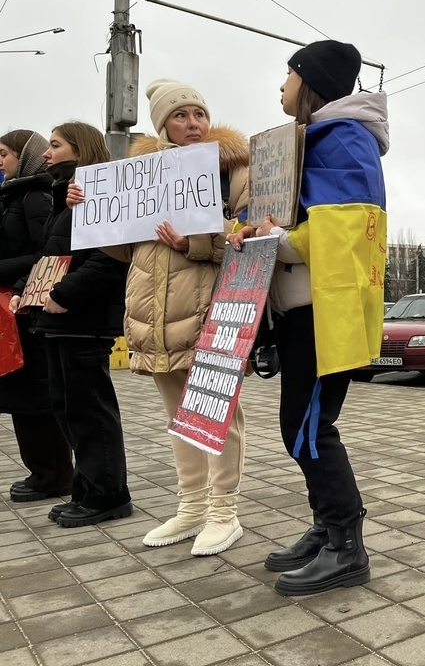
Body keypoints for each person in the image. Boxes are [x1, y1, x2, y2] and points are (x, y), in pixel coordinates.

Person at [228, 39, 387, 596]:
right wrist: (249, 230)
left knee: (308, 429)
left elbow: (346, 232)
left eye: (289, 73)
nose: (282, 84)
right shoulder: (306, 141)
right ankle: (328, 529)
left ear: (310, 82)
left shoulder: (345, 139)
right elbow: (283, 217)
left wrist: (276, 238)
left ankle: (346, 545)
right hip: (299, 311)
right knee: (304, 427)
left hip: (323, 312)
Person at [93, 80, 250, 555]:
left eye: (199, 113)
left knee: (217, 414)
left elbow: (252, 236)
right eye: (180, 115)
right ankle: (192, 505)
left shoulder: (233, 170)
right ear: (162, 125)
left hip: (215, 313)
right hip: (155, 316)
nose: (193, 123)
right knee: (181, 417)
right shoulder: (139, 176)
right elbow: (126, 249)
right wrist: (91, 213)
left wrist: (194, 242)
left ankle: (224, 512)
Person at [10, 123, 132, 526]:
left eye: (56, 145)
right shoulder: (66, 199)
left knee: (90, 413)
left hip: (84, 321)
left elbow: (108, 261)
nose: (47, 153)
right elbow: (51, 257)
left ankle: (107, 495)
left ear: (82, 149)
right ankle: (87, 489)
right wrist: (26, 290)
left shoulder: (101, 196)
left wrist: (63, 295)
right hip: (59, 321)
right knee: (68, 409)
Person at [0, 130, 73, 503]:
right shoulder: (14, 194)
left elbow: (45, 253)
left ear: (23, 155)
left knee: (35, 395)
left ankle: (53, 475)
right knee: (21, 395)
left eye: (5, 153)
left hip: (28, 306)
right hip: (15, 305)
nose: (0, 161)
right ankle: (41, 472)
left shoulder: (33, 197)